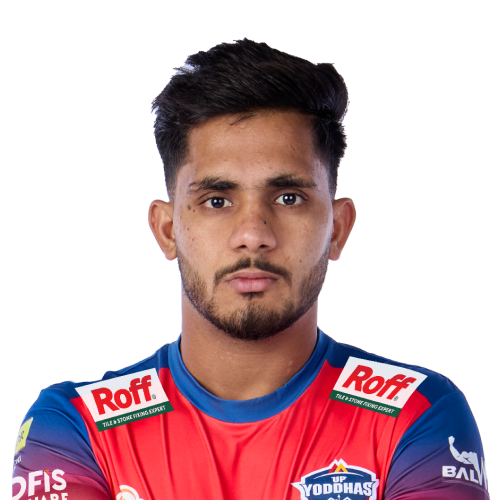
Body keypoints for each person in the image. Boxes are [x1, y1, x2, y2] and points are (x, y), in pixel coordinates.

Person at [12, 38, 489, 500]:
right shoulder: (75, 425)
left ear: (338, 228)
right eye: (217, 200)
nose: (254, 234)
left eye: (289, 198)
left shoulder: (416, 413)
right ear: (167, 230)